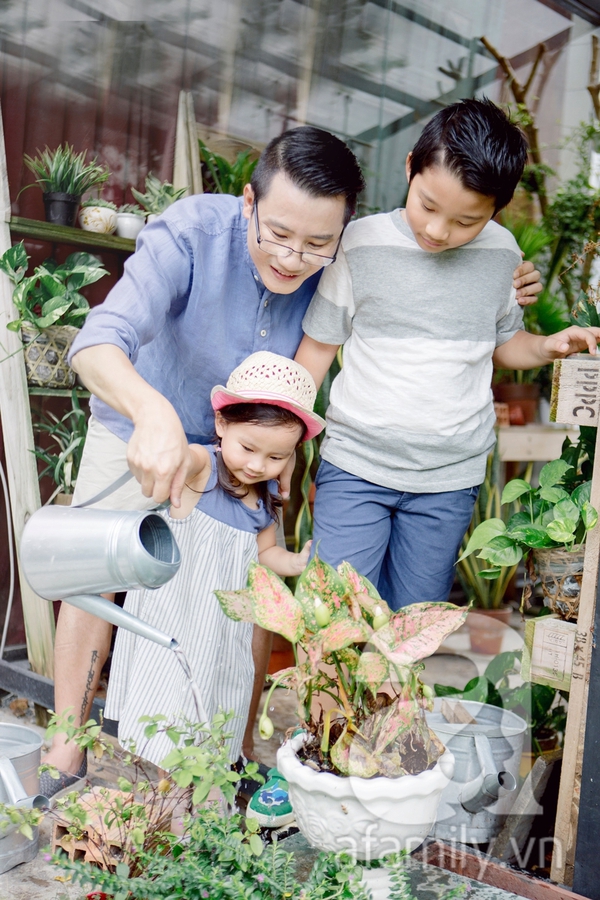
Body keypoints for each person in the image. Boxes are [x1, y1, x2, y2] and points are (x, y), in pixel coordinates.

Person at [43, 123, 541, 795]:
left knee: (254, 598)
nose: (292, 257)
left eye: (315, 243)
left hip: (253, 447)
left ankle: (234, 755)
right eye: (278, 234)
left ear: (345, 231)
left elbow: (429, 280)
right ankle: (65, 752)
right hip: (147, 424)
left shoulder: (350, 259)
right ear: (248, 202)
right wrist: (153, 413)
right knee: (95, 572)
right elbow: (100, 341)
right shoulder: (189, 231)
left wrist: (500, 275)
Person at [295, 98, 600, 612]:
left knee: (415, 623)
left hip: (448, 479)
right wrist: (285, 437)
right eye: (428, 206)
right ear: (411, 166)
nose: (438, 231)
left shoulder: (503, 254)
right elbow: (318, 350)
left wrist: (547, 346)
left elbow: (502, 345)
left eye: (465, 221)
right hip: (356, 466)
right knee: (335, 619)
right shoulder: (359, 244)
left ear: (496, 210)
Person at [101, 352, 324, 768]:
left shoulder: (266, 499)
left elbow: (266, 553)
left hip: (222, 626)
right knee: (167, 689)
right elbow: (180, 459)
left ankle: (208, 774)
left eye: (276, 458)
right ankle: (158, 778)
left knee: (218, 689)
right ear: (222, 425)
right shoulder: (204, 467)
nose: (257, 465)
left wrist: (294, 563)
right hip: (176, 613)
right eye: (248, 448)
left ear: (292, 454)